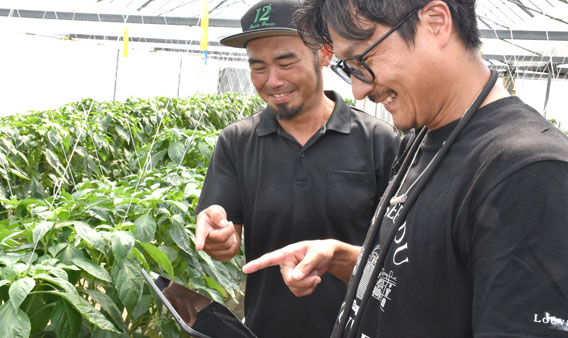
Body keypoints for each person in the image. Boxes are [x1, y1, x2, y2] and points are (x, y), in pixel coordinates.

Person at [242, 0, 568, 337]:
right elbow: (426, 283)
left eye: (363, 60)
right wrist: (339, 257)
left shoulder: (527, 173)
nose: (359, 89)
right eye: (348, 67)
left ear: (436, 22)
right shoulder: (425, 138)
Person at [193, 0, 400, 337]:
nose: (272, 80)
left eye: (286, 62)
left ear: (325, 53)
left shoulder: (380, 141)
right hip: (264, 329)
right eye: (258, 67)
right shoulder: (236, 141)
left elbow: (396, 257)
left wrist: (335, 257)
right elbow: (227, 244)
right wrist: (219, 238)